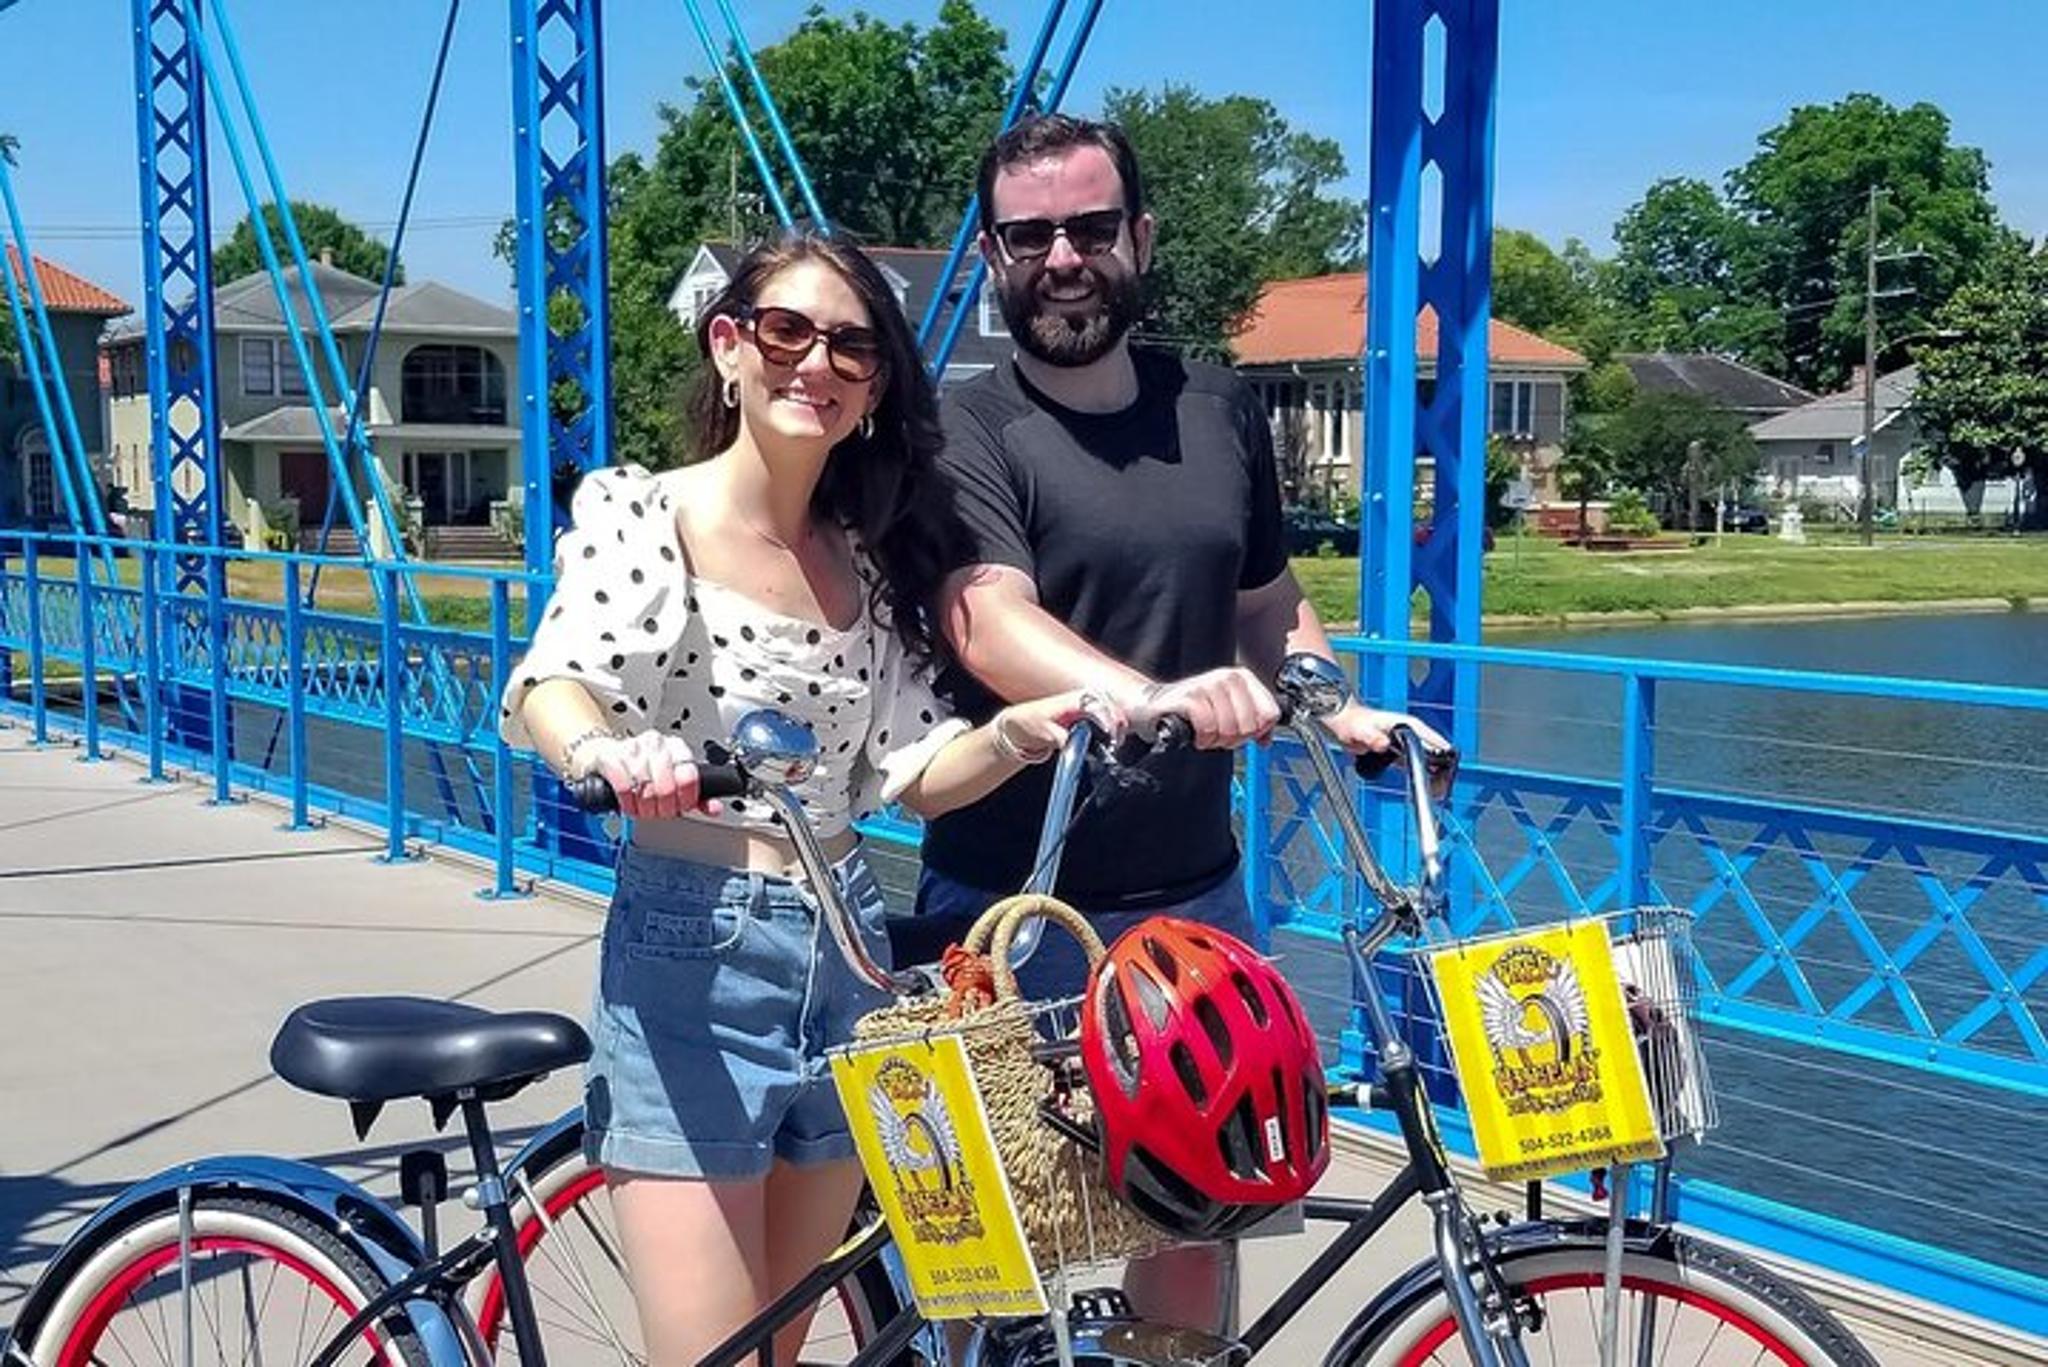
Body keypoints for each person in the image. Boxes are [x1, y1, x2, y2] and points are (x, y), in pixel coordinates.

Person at [501, 232, 1110, 1367]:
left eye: (850, 346)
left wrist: (1016, 734)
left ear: (873, 387)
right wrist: (607, 754)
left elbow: (914, 774)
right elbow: (555, 679)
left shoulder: (862, 563)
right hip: (695, 950)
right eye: (786, 332)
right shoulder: (650, 515)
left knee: (781, 1347)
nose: (815, 364)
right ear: (729, 346)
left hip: (848, 956)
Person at [896, 113, 1450, 1332]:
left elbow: (1263, 601)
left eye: (1090, 228)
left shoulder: (1217, 407)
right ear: (991, 257)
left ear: (1138, 238)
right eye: (1028, 236)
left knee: (1196, 1230)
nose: (1062, 258)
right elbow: (986, 616)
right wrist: (1144, 696)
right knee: (999, 1257)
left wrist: (1331, 701)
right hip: (1013, 903)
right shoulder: (963, 430)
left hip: (1195, 895)